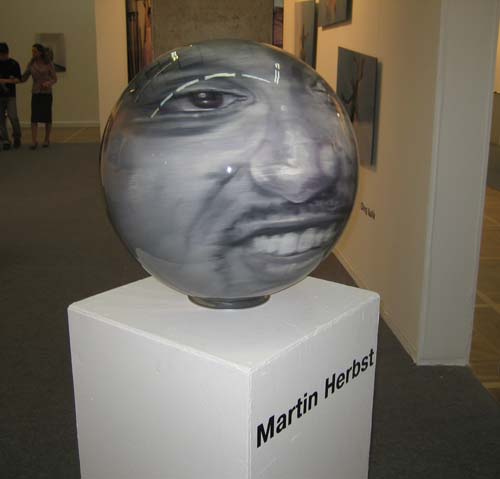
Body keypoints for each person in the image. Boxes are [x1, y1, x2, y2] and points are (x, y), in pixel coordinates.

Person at [21, 44, 57, 149]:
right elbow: (25, 77)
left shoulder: (49, 63)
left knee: (47, 117)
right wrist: (16, 79)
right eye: (32, 51)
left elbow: (54, 78)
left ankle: (46, 139)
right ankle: (34, 141)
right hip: (36, 92)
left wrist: (48, 83)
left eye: (35, 51)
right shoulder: (31, 63)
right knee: (34, 117)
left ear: (40, 52)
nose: (33, 53)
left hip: (46, 93)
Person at [0, 42, 22, 150]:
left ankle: (17, 136)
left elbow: (18, 79)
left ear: (7, 53)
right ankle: (5, 140)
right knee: (1, 119)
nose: (2, 56)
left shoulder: (14, 64)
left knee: (13, 116)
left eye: (3, 54)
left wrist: (6, 81)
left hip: (10, 95)